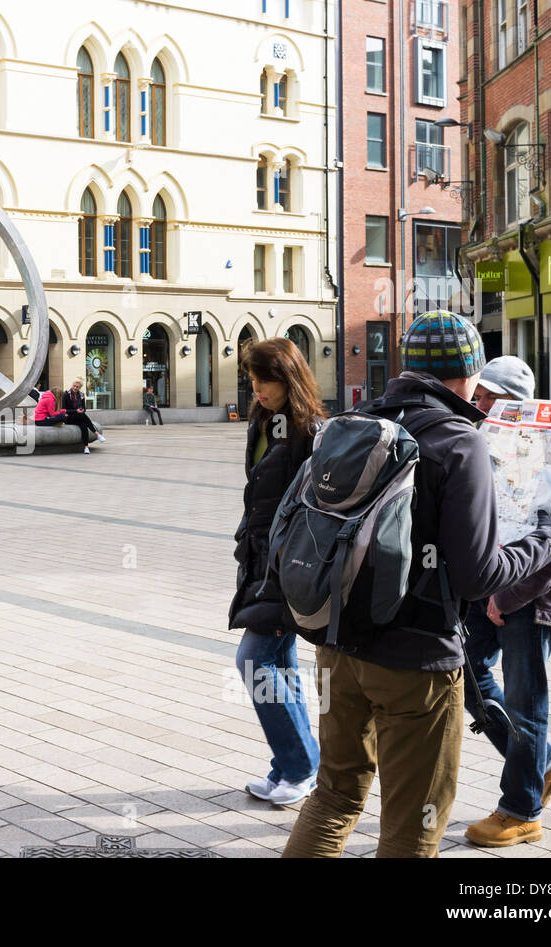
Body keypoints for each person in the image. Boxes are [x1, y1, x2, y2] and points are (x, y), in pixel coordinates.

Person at [282, 311, 551, 858]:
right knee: (413, 828)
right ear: (469, 372)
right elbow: (477, 575)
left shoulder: (358, 419)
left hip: (338, 646)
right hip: (419, 662)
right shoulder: (461, 442)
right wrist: (547, 538)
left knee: (334, 797)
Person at [458, 356, 551, 847]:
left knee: (528, 704)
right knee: (468, 675)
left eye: (488, 396)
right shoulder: (491, 444)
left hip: (529, 598)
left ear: (514, 403)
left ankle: (521, 810)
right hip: (492, 588)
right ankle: (544, 763)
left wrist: (507, 597)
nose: (479, 403)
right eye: (478, 394)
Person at [229, 338, 326, 806]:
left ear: (288, 377)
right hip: (259, 560)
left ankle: (303, 765)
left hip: (290, 566)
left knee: (253, 660)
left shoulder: (312, 431)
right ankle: (292, 765)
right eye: (252, 377)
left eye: (264, 378)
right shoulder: (262, 420)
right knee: (279, 664)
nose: (257, 387)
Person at [63, 379, 107, 448]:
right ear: (72, 385)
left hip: (79, 416)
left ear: (80, 388)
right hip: (69, 418)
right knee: (82, 416)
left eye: (77, 387)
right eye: (74, 386)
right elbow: (64, 410)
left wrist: (82, 410)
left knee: (84, 425)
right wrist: (76, 411)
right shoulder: (66, 394)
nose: (75, 388)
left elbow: (84, 408)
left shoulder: (81, 395)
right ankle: (97, 434)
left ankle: (86, 447)